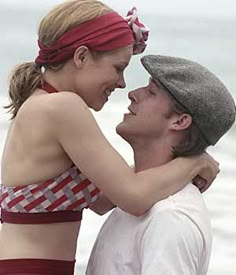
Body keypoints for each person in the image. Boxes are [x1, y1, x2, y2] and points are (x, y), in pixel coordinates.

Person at [0, 0, 219, 274]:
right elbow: (135, 197)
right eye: (118, 68)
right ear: (81, 57)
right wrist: (195, 162)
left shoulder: (44, 103)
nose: (122, 83)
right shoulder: (62, 107)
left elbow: (104, 200)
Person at [86, 54, 236, 275]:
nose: (133, 94)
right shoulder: (138, 195)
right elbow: (94, 198)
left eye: (151, 92)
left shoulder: (170, 217)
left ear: (180, 121)